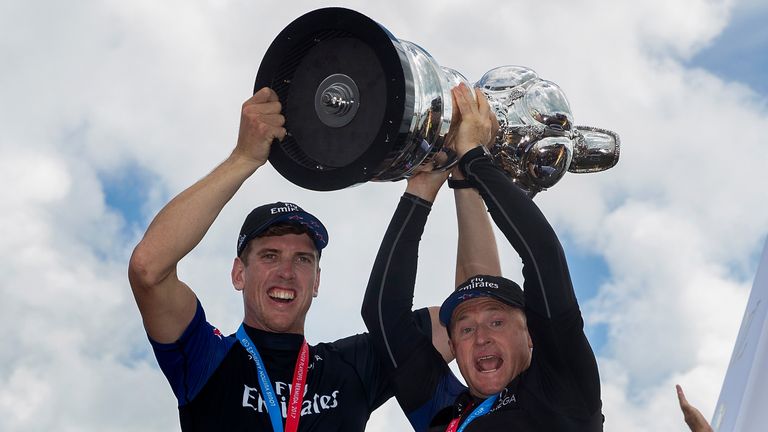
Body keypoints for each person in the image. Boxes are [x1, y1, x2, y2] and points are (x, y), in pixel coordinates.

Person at [128, 87, 462, 431]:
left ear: (317, 281)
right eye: (270, 256)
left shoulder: (354, 366)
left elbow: (473, 318)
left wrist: (440, 185)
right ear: (238, 274)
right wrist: (243, 158)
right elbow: (148, 269)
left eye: (303, 259)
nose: (286, 271)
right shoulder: (207, 359)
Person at [362, 82, 604, 430]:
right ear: (454, 349)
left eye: (497, 322)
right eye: (465, 328)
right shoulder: (444, 410)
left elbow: (543, 257)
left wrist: (475, 158)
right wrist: (421, 189)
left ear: (530, 333)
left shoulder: (561, 389)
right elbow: (383, 314)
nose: (481, 338)